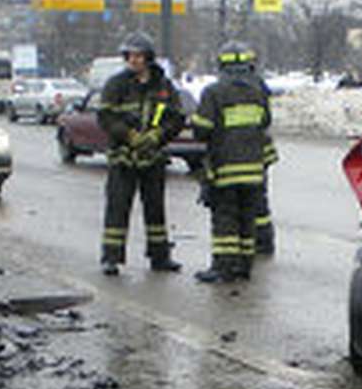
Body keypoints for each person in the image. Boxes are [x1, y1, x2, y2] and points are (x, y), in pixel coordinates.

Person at [97, 32, 185, 276]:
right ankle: (111, 258)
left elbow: (176, 118)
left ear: (149, 58)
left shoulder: (164, 87)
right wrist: (128, 136)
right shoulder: (116, 85)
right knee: (117, 208)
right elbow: (105, 117)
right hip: (123, 157)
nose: (134, 60)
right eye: (130, 56)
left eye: (139, 56)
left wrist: (157, 136)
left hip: (153, 158)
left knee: (155, 211)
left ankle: (160, 256)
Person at [191, 40, 271, 283]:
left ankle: (223, 267)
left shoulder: (213, 92)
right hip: (254, 170)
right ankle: (244, 266)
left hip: (225, 168)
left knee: (225, 218)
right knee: (247, 218)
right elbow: (265, 122)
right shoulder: (259, 91)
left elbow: (202, 130)